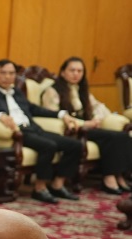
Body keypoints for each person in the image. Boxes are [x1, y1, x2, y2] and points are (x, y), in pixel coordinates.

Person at [0, 58, 82, 204]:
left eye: (11, 73)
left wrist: (61, 114)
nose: (8, 77)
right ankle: (40, 188)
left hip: (33, 128)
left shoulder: (17, 92)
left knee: (74, 145)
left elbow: (34, 109)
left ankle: (58, 184)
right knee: (48, 146)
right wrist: (0, 116)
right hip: (19, 133)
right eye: (3, 73)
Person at [39, 56, 131, 194]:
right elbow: (54, 115)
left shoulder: (81, 89)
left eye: (79, 71)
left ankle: (119, 176)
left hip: (88, 127)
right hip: (73, 129)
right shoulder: (53, 91)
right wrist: (85, 123)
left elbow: (98, 107)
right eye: (72, 70)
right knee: (112, 137)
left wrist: (97, 119)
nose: (76, 74)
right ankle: (109, 178)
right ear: (63, 72)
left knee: (123, 136)